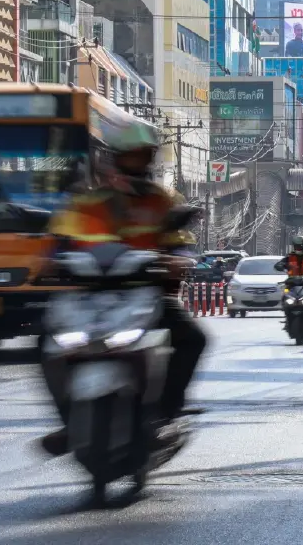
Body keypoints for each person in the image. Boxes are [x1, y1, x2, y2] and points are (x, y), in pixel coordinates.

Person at [38, 121, 207, 456]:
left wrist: (178, 261)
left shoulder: (162, 201)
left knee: (194, 339)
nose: (136, 163)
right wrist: (48, 264)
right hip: (88, 296)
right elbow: (58, 243)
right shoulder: (86, 203)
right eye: (130, 157)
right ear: (114, 158)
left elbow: (178, 244)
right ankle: (69, 422)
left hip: (144, 292)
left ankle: (164, 416)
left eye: (142, 157)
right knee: (45, 342)